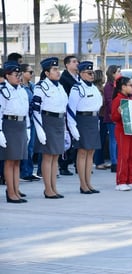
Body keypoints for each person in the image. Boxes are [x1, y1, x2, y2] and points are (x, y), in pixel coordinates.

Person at [32, 57, 68, 199]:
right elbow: (35, 109)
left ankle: (54, 187)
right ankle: (48, 189)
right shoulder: (41, 87)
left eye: (57, 69)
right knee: (47, 156)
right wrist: (40, 129)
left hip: (59, 121)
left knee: (55, 156)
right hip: (47, 121)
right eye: (54, 69)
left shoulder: (59, 86)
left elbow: (64, 106)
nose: (57, 72)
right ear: (47, 73)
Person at [67, 61, 102, 194]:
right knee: (82, 153)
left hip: (93, 120)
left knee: (90, 153)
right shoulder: (77, 88)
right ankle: (83, 184)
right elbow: (71, 109)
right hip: (82, 121)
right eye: (88, 73)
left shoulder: (93, 87)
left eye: (92, 72)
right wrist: (73, 128)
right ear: (81, 74)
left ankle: (89, 182)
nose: (91, 75)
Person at [0, 61, 30, 203]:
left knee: (17, 160)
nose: (18, 77)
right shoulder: (3, 91)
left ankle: (16, 189)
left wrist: (28, 128)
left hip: (21, 125)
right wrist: (0, 131)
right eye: (15, 74)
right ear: (7, 76)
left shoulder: (22, 90)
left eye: (19, 74)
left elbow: (26, 112)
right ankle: (10, 192)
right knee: (10, 161)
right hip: (9, 125)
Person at [111, 76, 132, 191]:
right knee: (124, 156)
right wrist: (119, 113)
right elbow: (114, 117)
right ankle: (121, 181)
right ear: (123, 87)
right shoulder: (118, 100)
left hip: (131, 130)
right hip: (122, 130)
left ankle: (130, 180)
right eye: (130, 85)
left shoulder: (131, 99)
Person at [19, 64, 41, 182]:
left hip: (33, 119)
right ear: (22, 73)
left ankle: (28, 171)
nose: (32, 74)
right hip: (23, 120)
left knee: (31, 147)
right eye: (29, 72)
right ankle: (23, 171)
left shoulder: (33, 86)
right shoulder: (20, 87)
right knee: (24, 147)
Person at [104, 65, 121, 172]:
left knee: (117, 140)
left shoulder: (117, 85)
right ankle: (114, 162)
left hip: (118, 115)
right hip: (112, 116)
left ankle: (118, 160)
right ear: (112, 73)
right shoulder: (109, 86)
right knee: (113, 140)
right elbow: (109, 101)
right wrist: (114, 111)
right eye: (118, 71)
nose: (120, 73)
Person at [93, 69, 109, 170]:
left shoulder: (101, 88)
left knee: (102, 139)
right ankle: (98, 161)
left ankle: (101, 160)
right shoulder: (97, 89)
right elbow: (101, 103)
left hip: (103, 115)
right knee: (99, 139)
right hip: (100, 116)